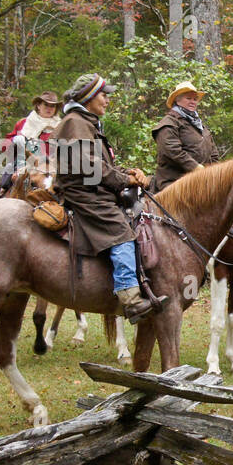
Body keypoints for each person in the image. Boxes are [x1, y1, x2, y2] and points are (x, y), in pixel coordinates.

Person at [51, 73, 159, 322]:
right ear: (88, 97)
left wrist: (128, 172)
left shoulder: (86, 122)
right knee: (120, 231)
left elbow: (100, 164)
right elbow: (87, 166)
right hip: (85, 195)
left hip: (94, 189)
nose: (107, 99)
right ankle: (130, 299)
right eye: (103, 94)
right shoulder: (75, 122)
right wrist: (124, 180)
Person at [151, 81, 220, 191]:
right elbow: (172, 151)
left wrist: (213, 170)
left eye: (195, 99)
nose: (193, 102)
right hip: (174, 183)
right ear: (177, 100)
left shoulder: (199, 125)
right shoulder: (168, 123)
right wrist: (195, 167)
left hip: (202, 182)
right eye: (188, 98)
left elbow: (213, 152)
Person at [0, 91, 60, 194]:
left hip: (51, 168)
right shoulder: (24, 123)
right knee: (7, 186)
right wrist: (16, 142)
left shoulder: (60, 126)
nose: (49, 108)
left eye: (52, 106)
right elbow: (5, 146)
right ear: (38, 105)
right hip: (24, 165)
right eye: (46, 105)